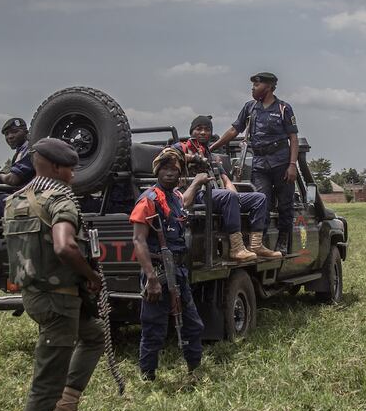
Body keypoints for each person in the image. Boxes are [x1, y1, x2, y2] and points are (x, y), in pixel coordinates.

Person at [2, 138, 107, 411]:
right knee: (46, 381)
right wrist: (91, 277)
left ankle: (67, 405)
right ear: (58, 168)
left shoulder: (14, 200)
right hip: (58, 301)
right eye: (71, 169)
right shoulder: (61, 199)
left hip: (34, 295)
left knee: (95, 335)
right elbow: (64, 246)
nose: (74, 175)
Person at [128, 148, 208, 382]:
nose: (170, 173)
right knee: (154, 328)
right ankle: (147, 376)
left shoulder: (173, 197)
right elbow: (138, 239)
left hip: (179, 271)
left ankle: (194, 370)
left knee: (192, 324)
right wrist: (151, 278)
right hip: (159, 273)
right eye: (165, 168)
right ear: (157, 171)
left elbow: (185, 201)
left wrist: (198, 182)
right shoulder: (149, 200)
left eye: (175, 169)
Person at [211, 71, 300, 254]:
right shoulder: (250, 108)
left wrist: (292, 165)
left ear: (268, 87)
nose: (253, 88)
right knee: (262, 203)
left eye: (256, 85)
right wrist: (212, 147)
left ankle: (283, 241)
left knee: (285, 204)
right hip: (259, 163)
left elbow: (293, 138)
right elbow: (234, 130)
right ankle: (261, 242)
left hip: (281, 162)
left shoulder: (283, 108)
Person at [171, 114, 279, 261]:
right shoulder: (181, 147)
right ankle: (237, 248)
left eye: (207, 129)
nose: (203, 132)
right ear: (192, 131)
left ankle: (256, 245)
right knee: (229, 196)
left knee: (259, 198)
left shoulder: (209, 154)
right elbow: (167, 155)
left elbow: (226, 180)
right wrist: (193, 158)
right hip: (195, 194)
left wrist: (236, 197)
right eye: (199, 129)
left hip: (213, 194)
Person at [0, 118, 35, 242]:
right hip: (26, 196)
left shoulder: (30, 150)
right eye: (7, 134)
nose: (10, 137)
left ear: (26, 132)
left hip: (29, 199)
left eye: (14, 132)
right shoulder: (20, 152)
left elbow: (13, 180)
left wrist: (0, 175)